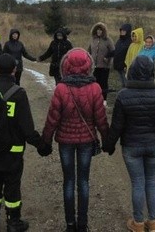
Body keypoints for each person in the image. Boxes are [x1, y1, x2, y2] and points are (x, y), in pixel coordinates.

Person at [0, 53, 53, 232]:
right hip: (11, 152)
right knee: (12, 187)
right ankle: (13, 222)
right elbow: (27, 128)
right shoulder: (18, 93)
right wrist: (42, 146)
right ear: (14, 70)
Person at [103, 55, 155, 232]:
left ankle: (139, 223)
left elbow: (117, 126)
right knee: (151, 182)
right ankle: (154, 223)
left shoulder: (123, 95)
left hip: (132, 146)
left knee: (138, 183)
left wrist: (109, 146)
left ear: (132, 71)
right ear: (151, 73)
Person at [42, 48, 109, 232]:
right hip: (87, 140)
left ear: (66, 65)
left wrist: (45, 141)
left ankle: (70, 224)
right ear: (89, 65)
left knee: (69, 182)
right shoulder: (95, 88)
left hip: (65, 140)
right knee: (84, 182)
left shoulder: (61, 88)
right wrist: (107, 140)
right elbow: (101, 119)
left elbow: (52, 118)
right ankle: (83, 224)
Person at [87, 22, 114, 104]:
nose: (99, 32)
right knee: (94, 83)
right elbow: (88, 51)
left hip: (104, 66)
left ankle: (104, 100)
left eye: (100, 30)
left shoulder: (108, 40)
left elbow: (113, 51)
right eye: (97, 30)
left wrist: (108, 58)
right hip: (94, 66)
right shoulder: (93, 40)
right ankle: (95, 98)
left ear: (103, 31)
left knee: (103, 83)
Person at [112, 23, 132, 88]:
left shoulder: (130, 42)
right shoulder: (119, 40)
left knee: (126, 84)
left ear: (128, 32)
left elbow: (129, 55)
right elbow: (116, 51)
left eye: (124, 31)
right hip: (118, 65)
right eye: (121, 31)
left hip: (124, 66)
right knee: (122, 83)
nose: (122, 32)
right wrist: (108, 55)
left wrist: (126, 65)